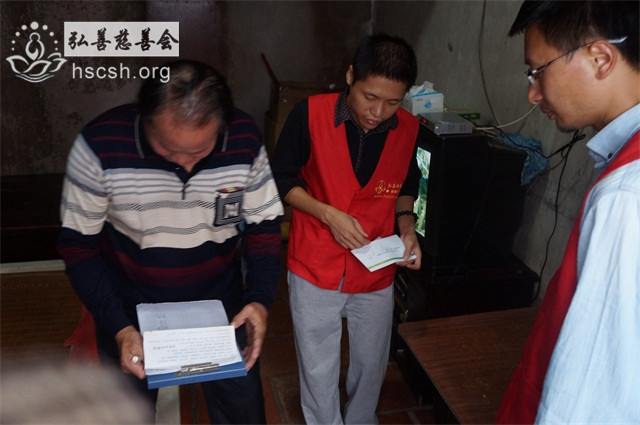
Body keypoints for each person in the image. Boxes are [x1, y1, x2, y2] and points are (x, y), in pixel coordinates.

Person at [57, 59, 283, 423]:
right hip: (130, 304)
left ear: (222, 125)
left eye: (198, 151)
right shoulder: (100, 146)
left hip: (221, 304)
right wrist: (119, 327)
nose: (184, 165)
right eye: (168, 149)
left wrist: (259, 299)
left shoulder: (243, 139)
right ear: (144, 119)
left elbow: (264, 227)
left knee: (242, 411)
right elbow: (78, 249)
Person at [497, 1, 639, 423]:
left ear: (600, 58)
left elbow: (587, 396)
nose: (532, 93)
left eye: (537, 71)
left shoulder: (624, 196)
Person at [271, 33, 424, 424]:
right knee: (318, 364)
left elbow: (406, 186)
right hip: (315, 261)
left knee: (372, 363)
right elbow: (281, 179)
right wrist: (328, 214)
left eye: (393, 102)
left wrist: (407, 227)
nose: (378, 112)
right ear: (351, 76)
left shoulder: (408, 128)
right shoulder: (309, 115)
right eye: (370, 97)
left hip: (375, 265)